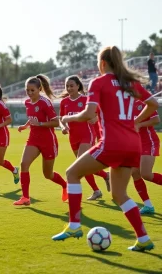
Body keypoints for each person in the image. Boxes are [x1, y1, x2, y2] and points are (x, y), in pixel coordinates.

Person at [52, 46, 158, 252]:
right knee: (119, 194)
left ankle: (74, 226)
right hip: (133, 145)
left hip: (112, 144)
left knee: (72, 173)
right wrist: (135, 121)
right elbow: (153, 104)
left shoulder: (99, 82)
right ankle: (143, 238)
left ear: (102, 63)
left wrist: (67, 117)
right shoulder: (130, 83)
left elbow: (87, 113)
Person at [13, 74, 67, 206]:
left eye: (32, 90)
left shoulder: (45, 102)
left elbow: (55, 122)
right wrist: (26, 125)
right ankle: (25, 197)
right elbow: (33, 117)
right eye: (27, 90)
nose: (30, 93)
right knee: (24, 164)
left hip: (48, 141)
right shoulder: (27, 102)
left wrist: (40, 124)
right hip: (33, 139)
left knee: (48, 174)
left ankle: (66, 185)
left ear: (39, 89)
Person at [59, 75, 110, 200]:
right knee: (84, 166)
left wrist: (95, 118)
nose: (69, 88)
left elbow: (100, 114)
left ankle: (88, 192)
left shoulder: (87, 100)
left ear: (78, 86)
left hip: (87, 135)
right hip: (73, 137)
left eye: (71, 86)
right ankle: (103, 179)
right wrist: (63, 127)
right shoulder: (64, 102)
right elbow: (61, 119)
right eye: (67, 86)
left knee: (80, 164)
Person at [132, 99, 161, 215]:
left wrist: (140, 124)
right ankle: (148, 205)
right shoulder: (123, 105)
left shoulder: (143, 103)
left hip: (148, 142)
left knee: (146, 174)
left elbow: (156, 119)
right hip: (134, 144)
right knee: (134, 172)